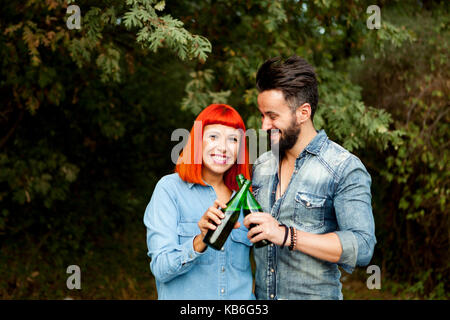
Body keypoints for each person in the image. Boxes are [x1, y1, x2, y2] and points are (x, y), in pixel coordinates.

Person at [243, 56, 376, 300]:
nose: (264, 126)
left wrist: (287, 235)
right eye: (262, 115)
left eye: (272, 116)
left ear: (303, 112)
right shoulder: (262, 165)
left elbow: (362, 247)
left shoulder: (343, 167)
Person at [144, 104, 255, 300]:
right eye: (213, 137)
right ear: (197, 141)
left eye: (233, 139)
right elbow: (161, 268)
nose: (223, 147)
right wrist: (200, 240)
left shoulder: (247, 197)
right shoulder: (170, 190)